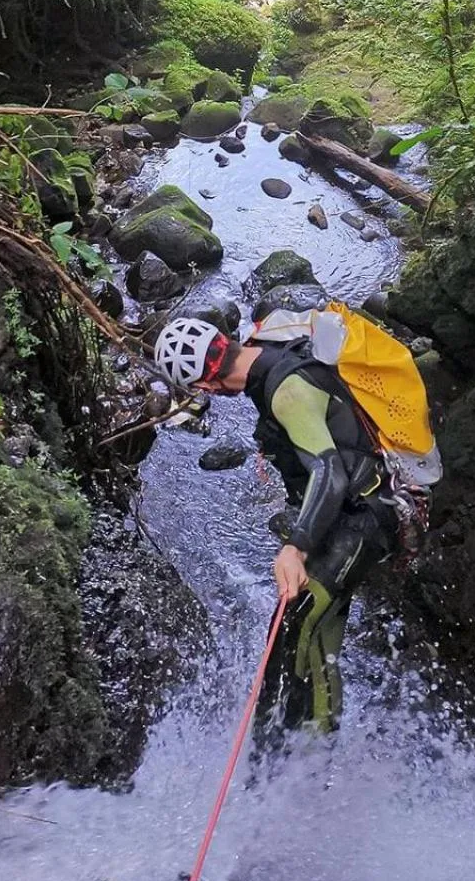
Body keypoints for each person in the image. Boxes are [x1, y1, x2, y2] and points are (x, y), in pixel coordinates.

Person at [154, 314, 429, 736]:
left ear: (205, 387)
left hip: (367, 515)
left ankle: (290, 749)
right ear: (224, 341)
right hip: (360, 508)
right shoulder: (271, 350)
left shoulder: (285, 392)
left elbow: (329, 473)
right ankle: (310, 744)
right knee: (315, 635)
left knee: (296, 625)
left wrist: (295, 546)